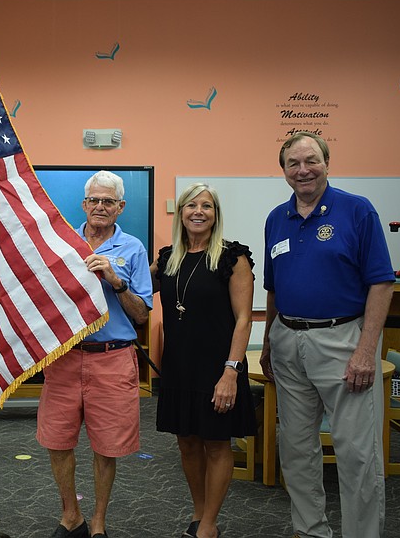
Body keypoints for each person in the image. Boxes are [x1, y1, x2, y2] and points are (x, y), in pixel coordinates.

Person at [261, 131, 394, 538]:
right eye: (293, 164)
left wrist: (365, 351)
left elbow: (382, 283)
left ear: (327, 163)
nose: (303, 170)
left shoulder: (357, 211)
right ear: (283, 171)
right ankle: (310, 530)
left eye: (311, 161)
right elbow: (274, 288)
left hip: (343, 342)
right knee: (297, 449)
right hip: (288, 341)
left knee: (357, 454)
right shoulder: (275, 218)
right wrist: (268, 343)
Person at [36, 170, 153, 538]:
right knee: (57, 440)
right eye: (94, 201)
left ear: (120, 207)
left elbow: (142, 315)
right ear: (84, 204)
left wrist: (116, 283)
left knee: (107, 445)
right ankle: (71, 515)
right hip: (65, 359)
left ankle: (99, 522)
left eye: (108, 202)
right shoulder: (60, 242)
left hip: (112, 358)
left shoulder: (132, 248)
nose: (100, 207)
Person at [151, 183, 257, 538]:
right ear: (180, 212)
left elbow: (244, 318)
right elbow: (134, 292)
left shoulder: (232, 257)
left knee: (215, 442)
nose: (199, 211)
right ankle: (199, 512)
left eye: (207, 206)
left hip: (218, 366)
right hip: (179, 365)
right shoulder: (167, 258)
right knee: (187, 442)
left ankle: (209, 524)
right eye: (191, 205)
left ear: (216, 214)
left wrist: (231, 372)